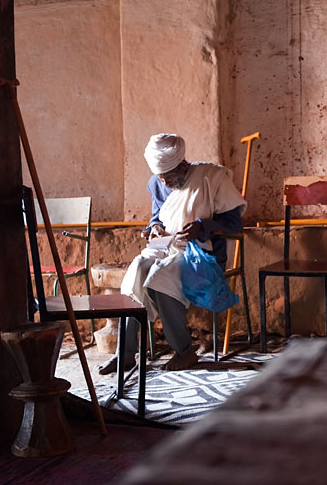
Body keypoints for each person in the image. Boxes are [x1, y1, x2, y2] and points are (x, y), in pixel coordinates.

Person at [99, 133, 246, 373]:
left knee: (160, 280)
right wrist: (154, 228)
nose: (165, 183)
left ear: (182, 165)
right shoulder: (156, 184)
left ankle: (184, 351)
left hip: (201, 253)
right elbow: (158, 217)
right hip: (165, 248)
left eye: (169, 176)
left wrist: (202, 226)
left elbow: (234, 223)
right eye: (160, 177)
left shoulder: (211, 178)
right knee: (135, 273)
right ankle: (124, 354)